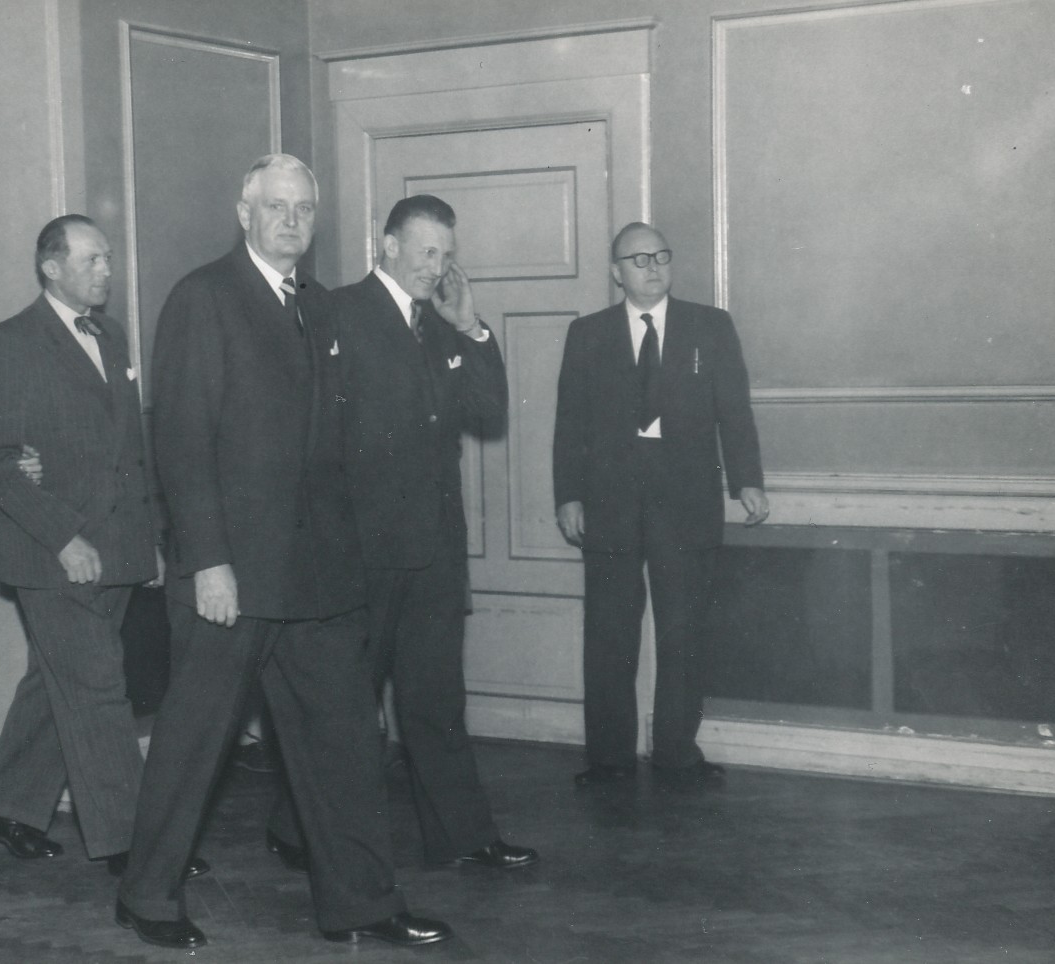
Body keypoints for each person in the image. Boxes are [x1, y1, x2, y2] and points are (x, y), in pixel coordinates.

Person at [115, 154, 451, 951]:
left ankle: (362, 902)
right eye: (276, 206)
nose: (291, 220)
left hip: (319, 574)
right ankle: (147, 894)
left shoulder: (320, 306)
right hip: (232, 574)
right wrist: (209, 561)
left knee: (346, 744)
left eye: (303, 209)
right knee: (195, 741)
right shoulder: (204, 297)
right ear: (245, 213)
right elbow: (181, 439)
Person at [264, 195, 536, 873]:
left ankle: (463, 835)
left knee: (437, 699)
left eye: (445, 254)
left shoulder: (440, 325)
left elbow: (489, 411)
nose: (435, 266)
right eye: (424, 250)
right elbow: (309, 437)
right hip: (363, 552)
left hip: (435, 551)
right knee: (345, 705)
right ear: (387, 245)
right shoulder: (337, 313)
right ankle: (302, 830)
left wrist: (471, 328)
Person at [0, 214, 165, 873]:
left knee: (59, 682)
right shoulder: (9, 343)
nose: (106, 270)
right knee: (98, 687)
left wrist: (149, 540)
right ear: (51, 268)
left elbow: (131, 449)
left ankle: (4, 808)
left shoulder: (111, 335)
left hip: (117, 547)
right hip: (54, 554)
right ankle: (133, 842)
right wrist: (63, 537)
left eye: (107, 258)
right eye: (91, 260)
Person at [553, 222, 769, 792]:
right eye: (638, 259)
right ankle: (609, 760)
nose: (652, 267)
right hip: (609, 506)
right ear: (616, 272)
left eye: (661, 256)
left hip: (686, 504)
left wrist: (747, 481)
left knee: (685, 634)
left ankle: (677, 753)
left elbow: (734, 411)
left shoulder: (710, 327)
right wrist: (568, 495)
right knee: (609, 639)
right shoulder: (588, 335)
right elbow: (570, 422)